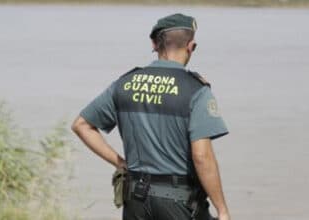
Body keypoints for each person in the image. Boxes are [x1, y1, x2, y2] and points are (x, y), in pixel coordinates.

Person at [72, 13, 230, 220]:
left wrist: (120, 162)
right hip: (180, 202)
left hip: (135, 199)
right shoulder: (195, 90)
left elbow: (81, 125)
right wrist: (222, 210)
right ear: (191, 46)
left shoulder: (124, 84)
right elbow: (202, 157)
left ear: (154, 44)